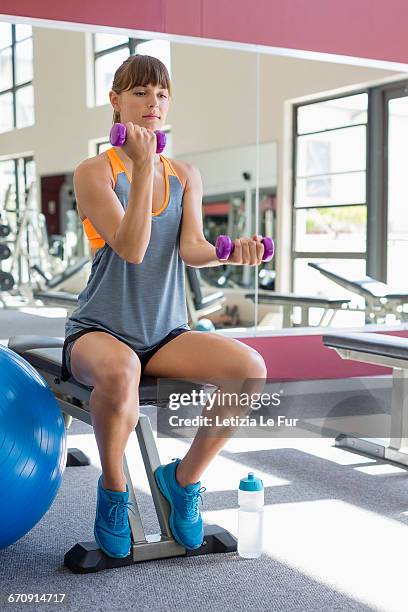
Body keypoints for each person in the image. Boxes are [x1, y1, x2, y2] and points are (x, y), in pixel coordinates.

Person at [62, 54, 267, 559]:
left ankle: (183, 479)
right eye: (140, 93)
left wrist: (227, 251)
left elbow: (190, 246)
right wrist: (142, 164)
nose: (153, 103)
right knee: (121, 369)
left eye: (161, 95)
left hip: (166, 330)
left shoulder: (184, 174)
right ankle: (113, 489)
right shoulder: (95, 172)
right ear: (115, 101)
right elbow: (130, 247)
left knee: (250, 369)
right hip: (100, 329)